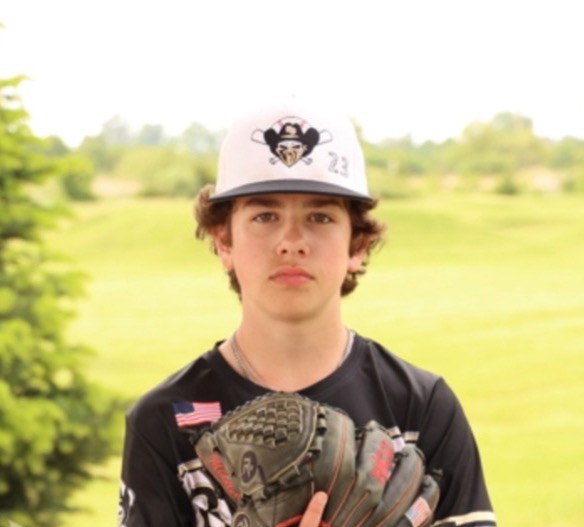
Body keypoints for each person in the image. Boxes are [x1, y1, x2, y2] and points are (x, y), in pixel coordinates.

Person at [118, 96, 497, 527]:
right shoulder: (166, 419)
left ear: (357, 244)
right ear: (224, 242)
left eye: (320, 217)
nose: (292, 242)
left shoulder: (418, 406)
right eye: (265, 216)